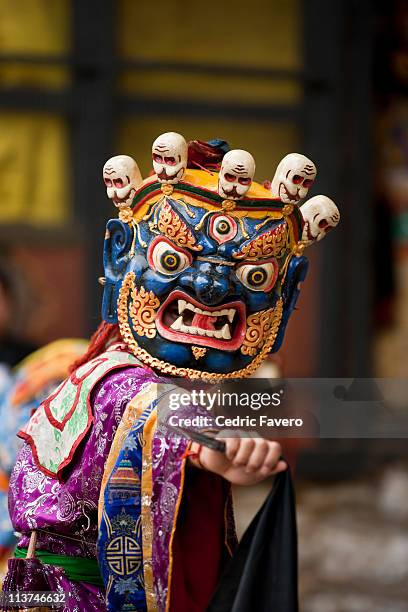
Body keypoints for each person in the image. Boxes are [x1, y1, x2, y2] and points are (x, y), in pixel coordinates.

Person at [2, 134, 339, 611]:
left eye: (254, 275)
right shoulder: (119, 380)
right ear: (121, 255)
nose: (211, 286)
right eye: (172, 260)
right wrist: (210, 450)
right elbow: (149, 410)